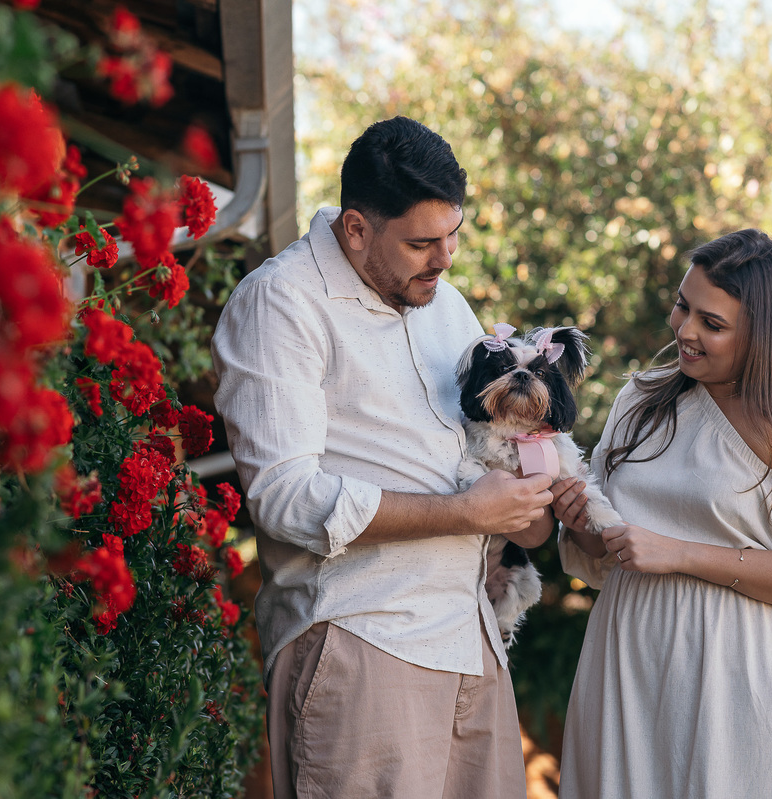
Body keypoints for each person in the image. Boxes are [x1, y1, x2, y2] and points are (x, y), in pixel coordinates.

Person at [211, 116, 554, 799]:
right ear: (357, 228)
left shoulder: (447, 306)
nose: (446, 258)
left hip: (471, 640)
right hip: (363, 641)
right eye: (423, 242)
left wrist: (529, 502)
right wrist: (461, 512)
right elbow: (283, 497)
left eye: (454, 234)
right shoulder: (282, 303)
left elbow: (480, 455)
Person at [551, 228, 772, 798]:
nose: (685, 331)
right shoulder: (640, 402)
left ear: (763, 336)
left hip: (747, 683)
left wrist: (681, 554)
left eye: (712, 324)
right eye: (682, 306)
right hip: (632, 670)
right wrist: (585, 529)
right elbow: (608, 555)